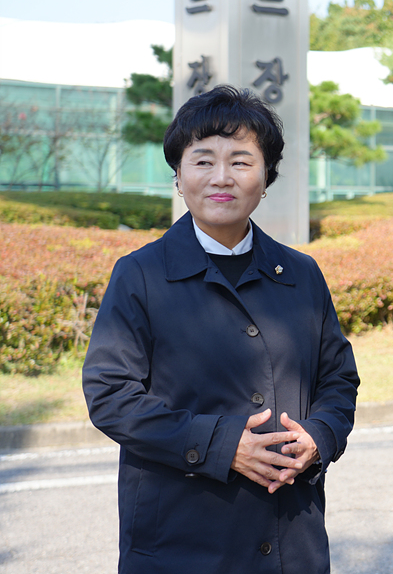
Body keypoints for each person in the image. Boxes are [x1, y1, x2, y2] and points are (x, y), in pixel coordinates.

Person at [83, 85, 359, 574]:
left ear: (266, 177)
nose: (221, 178)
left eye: (241, 161)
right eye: (203, 160)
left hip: (290, 540)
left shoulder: (301, 274)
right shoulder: (141, 274)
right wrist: (222, 446)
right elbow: (110, 395)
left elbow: (338, 379)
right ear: (179, 175)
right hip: (180, 543)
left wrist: (320, 436)